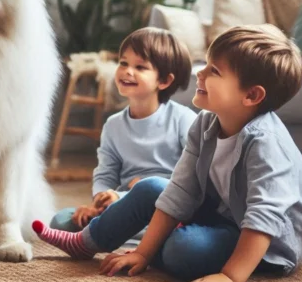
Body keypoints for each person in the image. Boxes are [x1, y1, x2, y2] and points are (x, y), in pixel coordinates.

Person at [35, 25, 302, 282]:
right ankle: (87, 243)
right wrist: (142, 253)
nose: (199, 73)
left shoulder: (267, 143)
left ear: (251, 96)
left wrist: (230, 277)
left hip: (265, 246)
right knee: (151, 186)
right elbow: (180, 190)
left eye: (213, 71)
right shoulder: (205, 123)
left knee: (183, 251)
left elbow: (263, 219)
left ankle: (147, 237)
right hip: (221, 218)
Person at [49, 28, 195, 238]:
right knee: (62, 221)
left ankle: (138, 234)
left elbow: (191, 178)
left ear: (163, 81)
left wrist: (127, 195)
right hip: (123, 205)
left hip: (167, 205)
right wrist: (99, 202)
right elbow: (106, 173)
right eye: (123, 63)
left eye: (140, 67)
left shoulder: (184, 120)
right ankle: (135, 234)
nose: (127, 71)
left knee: (176, 230)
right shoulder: (113, 125)